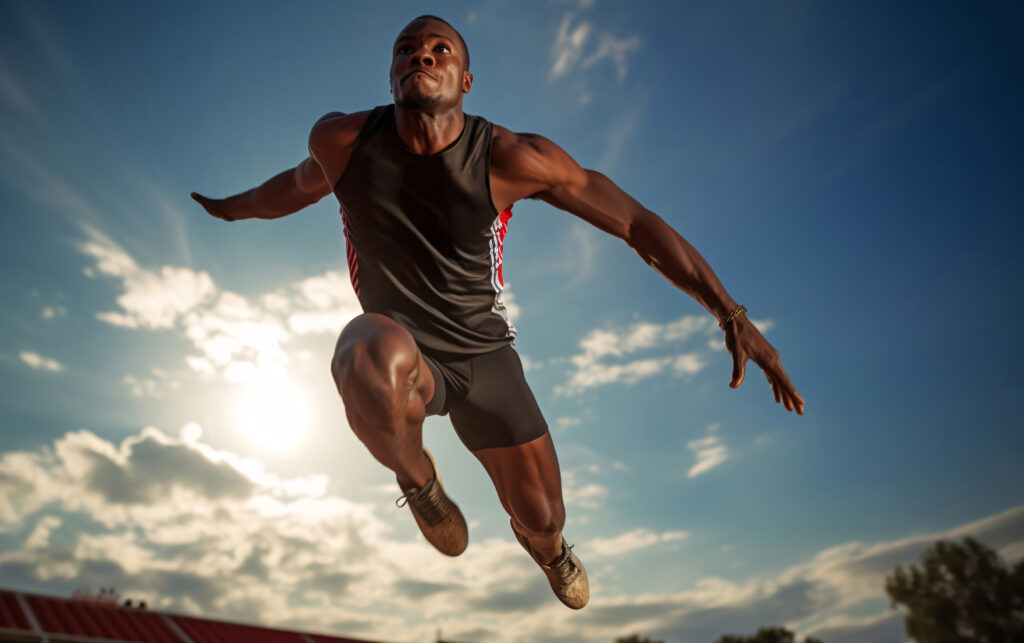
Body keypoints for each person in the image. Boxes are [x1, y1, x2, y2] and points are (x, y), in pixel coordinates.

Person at [191, 14, 805, 610]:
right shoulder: (344, 142)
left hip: (485, 358)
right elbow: (295, 186)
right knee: (363, 351)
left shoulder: (511, 158)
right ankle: (420, 484)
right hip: (405, 350)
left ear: (465, 80)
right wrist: (233, 208)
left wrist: (730, 314)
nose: (421, 56)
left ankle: (549, 550)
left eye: (440, 50)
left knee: (542, 517)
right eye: (407, 49)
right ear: (391, 74)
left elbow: (635, 223)